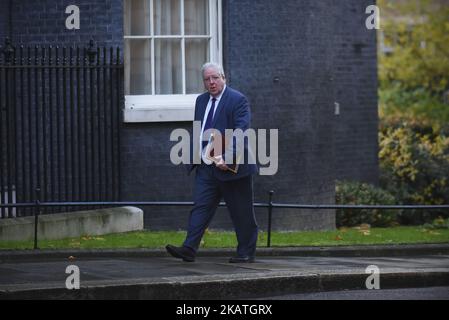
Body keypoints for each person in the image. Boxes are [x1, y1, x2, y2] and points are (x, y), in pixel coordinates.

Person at [166, 62, 259, 263]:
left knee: (241, 211)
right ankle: (189, 248)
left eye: (215, 78)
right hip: (206, 166)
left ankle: (245, 252)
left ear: (223, 77)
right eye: (207, 79)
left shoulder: (238, 100)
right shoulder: (201, 101)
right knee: (200, 207)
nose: (211, 83)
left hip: (233, 168)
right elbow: (200, 131)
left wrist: (228, 156)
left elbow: (240, 131)